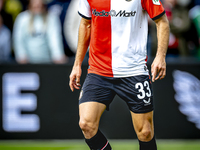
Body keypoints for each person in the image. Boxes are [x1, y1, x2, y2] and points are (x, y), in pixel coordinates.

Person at [69, 0, 169, 150]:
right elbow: (85, 24)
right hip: (99, 70)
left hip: (134, 70)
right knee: (86, 124)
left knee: (145, 132)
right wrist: (77, 64)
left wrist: (160, 56)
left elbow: (162, 21)